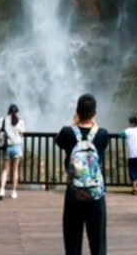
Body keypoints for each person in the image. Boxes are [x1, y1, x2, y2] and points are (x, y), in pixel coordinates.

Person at [55, 93, 110, 255]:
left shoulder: (67, 133)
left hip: (74, 193)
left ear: (77, 111)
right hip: (96, 194)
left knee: (72, 240)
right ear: (95, 113)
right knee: (98, 241)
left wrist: (73, 123)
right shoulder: (102, 134)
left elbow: (58, 141)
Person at [0, 103, 25, 200]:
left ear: (8, 111)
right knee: (15, 170)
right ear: (16, 112)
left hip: (7, 147)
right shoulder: (20, 122)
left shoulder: (3, 120)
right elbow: (22, 134)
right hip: (16, 147)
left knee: (5, 170)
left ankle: (2, 190)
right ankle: (13, 191)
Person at [124, 116, 137, 195]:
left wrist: (128, 128)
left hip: (132, 155)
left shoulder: (127, 131)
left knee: (133, 172)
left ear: (131, 123)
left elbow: (120, 134)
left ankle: (134, 188)